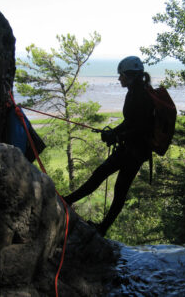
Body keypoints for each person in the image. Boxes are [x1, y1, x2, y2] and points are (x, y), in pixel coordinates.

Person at [64, 56, 154, 236]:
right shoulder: (135, 91)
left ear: (129, 76)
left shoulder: (141, 95)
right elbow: (131, 122)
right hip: (132, 149)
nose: (119, 79)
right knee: (107, 179)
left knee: (115, 185)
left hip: (135, 151)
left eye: (121, 75)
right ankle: (78, 208)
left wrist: (118, 135)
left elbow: (143, 127)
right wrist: (114, 132)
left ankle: (71, 204)